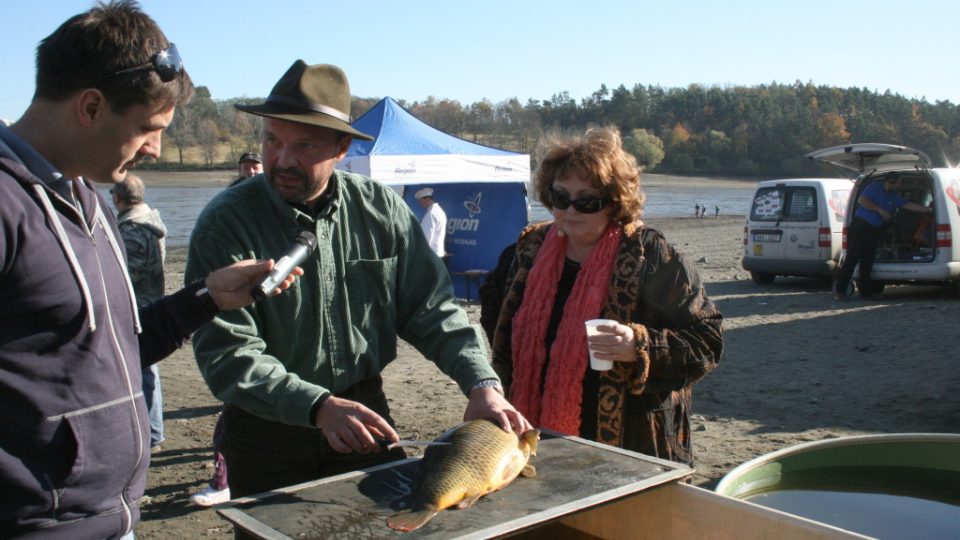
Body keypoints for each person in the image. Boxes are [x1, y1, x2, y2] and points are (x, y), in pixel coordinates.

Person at [0, 3, 300, 538]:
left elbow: (116, 349)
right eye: (147, 127)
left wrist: (206, 298)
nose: (156, 148)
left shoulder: (88, 199)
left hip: (116, 520)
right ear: (91, 107)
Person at [184, 60, 531, 505]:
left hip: (365, 413)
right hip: (266, 432)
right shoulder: (226, 223)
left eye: (304, 145)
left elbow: (432, 310)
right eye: (272, 141)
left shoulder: (380, 209)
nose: (283, 159)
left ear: (343, 147)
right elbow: (228, 353)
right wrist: (316, 407)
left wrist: (481, 383)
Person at [486, 127, 723, 465]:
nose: (571, 210)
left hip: (630, 446)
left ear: (615, 201)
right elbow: (495, 316)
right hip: (532, 436)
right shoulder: (526, 251)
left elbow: (708, 341)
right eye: (561, 197)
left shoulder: (652, 257)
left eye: (587, 200)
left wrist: (639, 346)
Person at [113, 173, 167, 452]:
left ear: (117, 198)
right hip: (150, 302)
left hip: (139, 307)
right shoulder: (150, 222)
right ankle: (152, 430)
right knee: (147, 369)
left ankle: (153, 432)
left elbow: (127, 274)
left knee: (145, 370)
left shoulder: (133, 230)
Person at [833, 172, 933, 299]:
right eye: (898, 182)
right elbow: (862, 200)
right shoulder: (875, 187)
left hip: (874, 229)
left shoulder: (893, 196)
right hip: (861, 227)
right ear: (891, 181)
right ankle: (840, 290)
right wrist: (880, 210)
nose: (899, 185)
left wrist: (929, 210)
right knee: (852, 258)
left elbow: (908, 205)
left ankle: (866, 292)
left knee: (868, 261)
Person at [415, 187, 447, 258]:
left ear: (427, 199)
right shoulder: (439, 211)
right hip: (438, 252)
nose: (420, 204)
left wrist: (421, 254)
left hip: (431, 254)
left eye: (421, 201)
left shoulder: (431, 214)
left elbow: (426, 237)